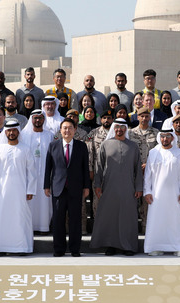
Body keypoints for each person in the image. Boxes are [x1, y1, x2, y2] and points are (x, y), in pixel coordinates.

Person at [90, 118, 143, 255]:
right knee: (110, 217)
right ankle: (110, 246)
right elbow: (99, 167)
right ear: (114, 128)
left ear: (126, 129)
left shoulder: (133, 146)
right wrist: (97, 185)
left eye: (122, 127)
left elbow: (137, 168)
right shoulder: (106, 145)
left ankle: (128, 246)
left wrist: (139, 187)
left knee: (128, 217)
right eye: (117, 127)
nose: (119, 129)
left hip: (128, 188)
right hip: (109, 187)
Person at [0, 119, 36, 255]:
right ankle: (0, 247)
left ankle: (21, 248)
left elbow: (31, 172)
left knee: (20, 217)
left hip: (21, 191)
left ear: (18, 131)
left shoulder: (25, 149)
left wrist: (30, 190)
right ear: (5, 132)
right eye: (9, 130)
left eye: (14, 130)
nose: (12, 133)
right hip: (2, 191)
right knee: (2, 217)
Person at [44, 118, 90, 257]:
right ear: (60, 130)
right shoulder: (53, 145)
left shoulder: (81, 146)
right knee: (58, 219)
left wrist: (86, 186)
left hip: (76, 188)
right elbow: (48, 168)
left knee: (75, 219)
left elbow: (85, 169)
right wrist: (46, 185)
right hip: (58, 188)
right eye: (64, 128)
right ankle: (59, 249)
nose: (67, 131)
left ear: (75, 130)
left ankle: (75, 249)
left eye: (70, 128)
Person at [143, 127, 180, 256]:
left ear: (172, 138)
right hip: (156, 194)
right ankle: (155, 246)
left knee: (175, 220)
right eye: (162, 136)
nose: (165, 139)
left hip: (175, 194)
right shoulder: (153, 152)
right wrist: (147, 191)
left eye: (167, 136)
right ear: (160, 138)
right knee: (156, 220)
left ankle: (178, 247)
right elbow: (147, 174)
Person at [21, 110, 54, 233]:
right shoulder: (24, 135)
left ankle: (44, 227)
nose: (38, 120)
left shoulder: (50, 135)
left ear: (44, 119)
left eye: (40, 118)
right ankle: (30, 227)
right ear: (31, 120)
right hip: (28, 176)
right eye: (35, 118)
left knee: (45, 203)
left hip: (45, 176)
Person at [129, 106, 159, 232]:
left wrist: (149, 164)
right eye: (142, 116)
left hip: (150, 172)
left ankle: (147, 228)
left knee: (148, 201)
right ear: (137, 117)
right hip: (134, 173)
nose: (144, 118)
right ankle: (132, 229)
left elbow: (159, 153)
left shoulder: (156, 133)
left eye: (147, 116)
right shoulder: (130, 133)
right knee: (132, 201)